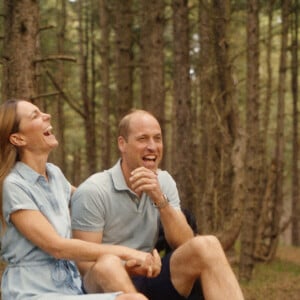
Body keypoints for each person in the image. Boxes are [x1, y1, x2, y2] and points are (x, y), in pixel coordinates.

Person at [71, 109, 245, 300]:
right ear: (122, 144)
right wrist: (127, 266)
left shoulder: (164, 182)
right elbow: (85, 266)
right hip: (106, 286)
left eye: (157, 138)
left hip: (149, 276)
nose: (152, 146)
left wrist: (159, 198)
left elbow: (184, 243)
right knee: (107, 265)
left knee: (207, 244)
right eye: (143, 139)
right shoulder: (93, 191)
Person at [0, 100, 161, 300]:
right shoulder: (13, 185)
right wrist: (129, 253)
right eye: (35, 115)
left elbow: (92, 201)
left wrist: (154, 198)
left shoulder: (55, 174)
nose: (47, 116)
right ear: (18, 138)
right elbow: (57, 247)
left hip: (71, 289)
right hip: (31, 293)